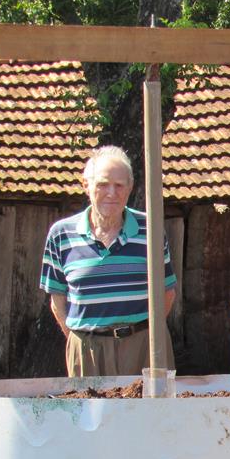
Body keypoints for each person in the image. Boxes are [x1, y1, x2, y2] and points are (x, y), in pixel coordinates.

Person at [40, 146, 177, 376]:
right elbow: (57, 298)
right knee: (89, 413)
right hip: (87, 350)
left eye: (119, 185)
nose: (111, 193)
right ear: (87, 186)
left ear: (130, 188)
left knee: (153, 411)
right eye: (103, 184)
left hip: (144, 347)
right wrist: (80, 340)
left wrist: (145, 336)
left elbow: (167, 292)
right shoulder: (61, 235)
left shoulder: (150, 229)